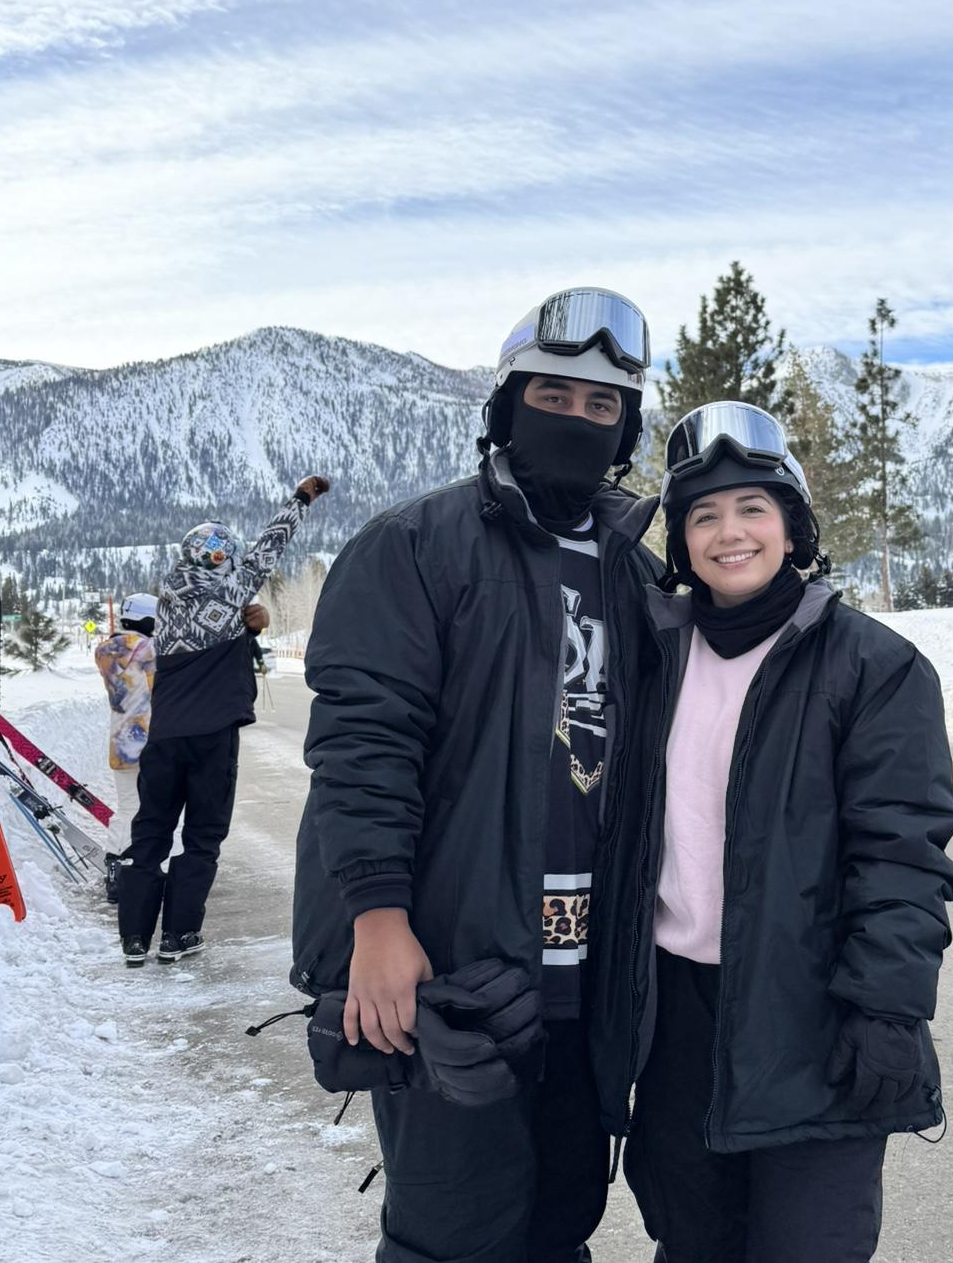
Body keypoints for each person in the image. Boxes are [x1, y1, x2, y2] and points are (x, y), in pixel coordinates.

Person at [291, 287, 660, 1263]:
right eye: (552, 396)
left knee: (559, 1223)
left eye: (601, 406)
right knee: (451, 1237)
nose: (576, 419)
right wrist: (377, 920)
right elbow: (363, 745)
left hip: (587, 978)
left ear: (625, 432)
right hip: (456, 963)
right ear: (505, 407)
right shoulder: (417, 546)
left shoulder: (635, 572)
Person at [587, 402, 953, 1263]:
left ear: (793, 528)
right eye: (703, 515)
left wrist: (887, 1009)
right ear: (681, 542)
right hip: (675, 1019)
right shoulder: (653, 657)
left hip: (812, 1016)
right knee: (691, 1240)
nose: (730, 533)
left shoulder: (874, 667)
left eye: (752, 508)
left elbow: (901, 856)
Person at [118, 476, 329, 967]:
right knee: (202, 837)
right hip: (213, 739)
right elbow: (271, 545)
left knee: (149, 833)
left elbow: (215, 633)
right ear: (224, 558)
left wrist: (247, 626)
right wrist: (302, 498)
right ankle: (179, 935)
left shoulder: (167, 600)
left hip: (164, 737)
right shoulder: (232, 592)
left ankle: (134, 938)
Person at [93, 592, 158, 903]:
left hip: (120, 741)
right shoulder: (149, 650)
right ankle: (131, 867)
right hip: (150, 738)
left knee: (128, 805)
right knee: (149, 809)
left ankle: (115, 864)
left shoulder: (105, 651)